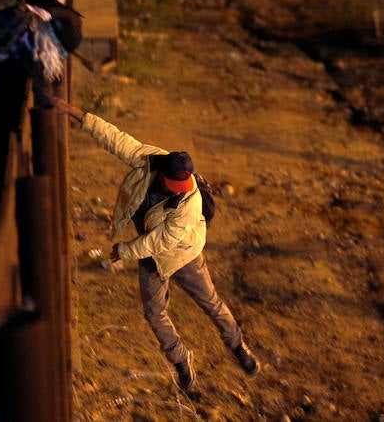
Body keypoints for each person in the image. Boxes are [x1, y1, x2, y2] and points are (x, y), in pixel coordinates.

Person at [54, 98, 261, 390]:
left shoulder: (189, 202)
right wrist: (77, 114)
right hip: (152, 256)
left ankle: (238, 346)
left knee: (211, 303)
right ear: (163, 171)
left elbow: (159, 241)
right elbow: (115, 138)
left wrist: (124, 251)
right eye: (172, 185)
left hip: (184, 254)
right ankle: (180, 359)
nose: (178, 190)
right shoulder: (149, 159)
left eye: (182, 186)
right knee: (154, 312)